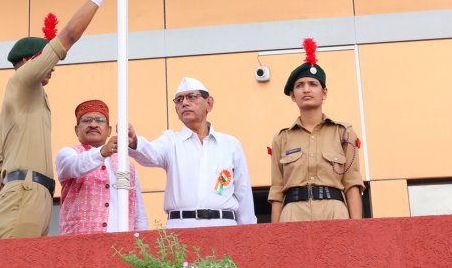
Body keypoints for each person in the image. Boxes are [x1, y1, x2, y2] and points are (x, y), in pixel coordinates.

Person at [0, 0, 118, 240]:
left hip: (34, 195)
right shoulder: (22, 81)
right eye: (46, 60)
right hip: (24, 194)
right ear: (29, 61)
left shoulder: (32, 97)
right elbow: (70, 35)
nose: (53, 67)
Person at [129, 76, 256, 228]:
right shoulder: (170, 140)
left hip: (224, 227)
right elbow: (151, 154)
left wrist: (249, 234)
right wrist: (135, 142)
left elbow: (243, 194)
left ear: (209, 103)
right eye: (179, 100)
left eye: (191, 97)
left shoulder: (231, 144)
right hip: (181, 228)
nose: (185, 103)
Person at [269, 38, 364, 223]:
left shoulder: (343, 132)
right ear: (292, 96)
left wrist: (356, 228)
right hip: (292, 214)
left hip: (334, 212)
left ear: (324, 92)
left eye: (313, 84)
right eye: (299, 85)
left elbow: (352, 183)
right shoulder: (282, 138)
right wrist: (274, 235)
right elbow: (277, 191)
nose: (306, 89)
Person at [56, 98, 148, 234]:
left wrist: (142, 243)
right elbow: (75, 166)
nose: (93, 124)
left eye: (99, 120)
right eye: (86, 120)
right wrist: (102, 152)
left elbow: (138, 210)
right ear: (76, 130)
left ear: (109, 130)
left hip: (121, 247)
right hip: (79, 244)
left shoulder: (125, 164)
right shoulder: (68, 154)